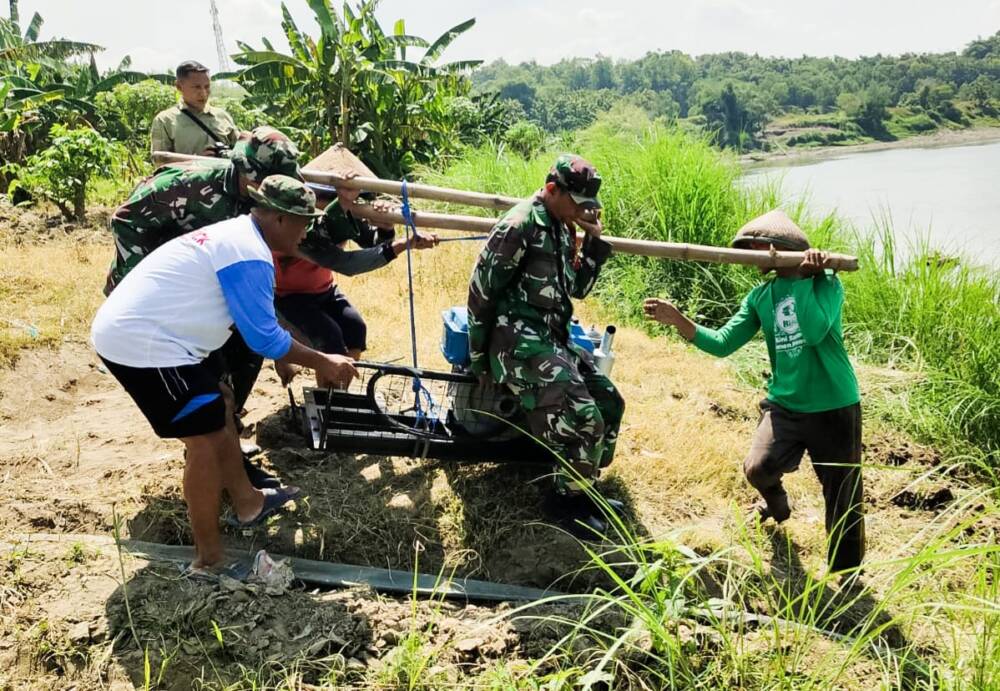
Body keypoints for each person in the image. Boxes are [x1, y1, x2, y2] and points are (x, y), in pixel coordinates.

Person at [91, 176, 357, 572]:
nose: (306, 233)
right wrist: (325, 361)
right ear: (281, 218)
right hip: (146, 345)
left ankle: (248, 503)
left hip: (164, 335)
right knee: (206, 438)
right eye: (303, 223)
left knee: (224, 401)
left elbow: (253, 325)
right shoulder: (249, 254)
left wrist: (284, 350)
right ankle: (208, 560)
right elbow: (265, 338)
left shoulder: (237, 235)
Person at [643, 209, 864, 574]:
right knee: (758, 467)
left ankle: (846, 573)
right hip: (785, 404)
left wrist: (808, 280)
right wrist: (678, 320)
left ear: (778, 248)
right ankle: (778, 506)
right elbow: (723, 343)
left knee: (842, 495)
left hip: (833, 405)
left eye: (755, 246)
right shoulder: (761, 296)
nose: (750, 253)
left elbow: (811, 332)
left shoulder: (828, 284)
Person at [105, 125, 302, 487]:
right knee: (203, 381)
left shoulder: (261, 205)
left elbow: (251, 285)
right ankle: (210, 451)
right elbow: (125, 220)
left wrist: (278, 348)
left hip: (214, 292)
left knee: (243, 358)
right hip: (164, 298)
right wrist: (159, 278)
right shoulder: (190, 183)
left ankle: (227, 445)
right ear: (243, 170)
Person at [467, 154, 625, 537]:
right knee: (584, 415)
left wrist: (593, 241)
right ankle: (564, 504)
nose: (582, 210)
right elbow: (481, 292)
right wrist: (479, 358)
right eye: (577, 202)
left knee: (609, 403)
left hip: (551, 338)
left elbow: (576, 289)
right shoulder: (520, 224)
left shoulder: (561, 226)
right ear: (552, 190)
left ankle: (582, 485)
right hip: (516, 343)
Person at [274, 172, 439, 385]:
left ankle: (338, 390)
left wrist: (385, 226)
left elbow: (371, 243)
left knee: (356, 329)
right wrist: (404, 244)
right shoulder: (302, 226)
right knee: (330, 338)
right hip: (290, 296)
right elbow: (348, 263)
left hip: (324, 290)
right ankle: (328, 399)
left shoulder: (340, 215)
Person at [150, 60, 240, 157]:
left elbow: (241, 152)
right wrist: (196, 161)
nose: (203, 93)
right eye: (196, 87)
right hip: (188, 172)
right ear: (179, 87)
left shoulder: (223, 116)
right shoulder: (165, 120)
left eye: (207, 87)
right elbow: (160, 161)